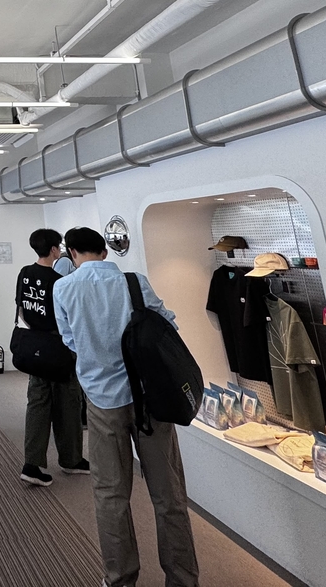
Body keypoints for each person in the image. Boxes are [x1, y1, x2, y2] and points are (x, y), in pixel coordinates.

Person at [54, 227, 199, 587]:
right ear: (104, 252)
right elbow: (167, 325)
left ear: (72, 253)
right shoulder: (134, 282)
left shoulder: (64, 288)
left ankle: (120, 578)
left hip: (102, 401)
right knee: (169, 496)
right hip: (150, 400)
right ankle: (182, 579)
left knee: (110, 495)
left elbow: (70, 339)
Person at [17, 228, 90, 486]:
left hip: (34, 347)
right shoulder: (59, 282)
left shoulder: (24, 273)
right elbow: (67, 317)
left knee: (37, 404)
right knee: (68, 403)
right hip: (58, 349)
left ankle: (32, 463)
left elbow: (22, 308)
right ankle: (71, 459)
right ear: (53, 250)